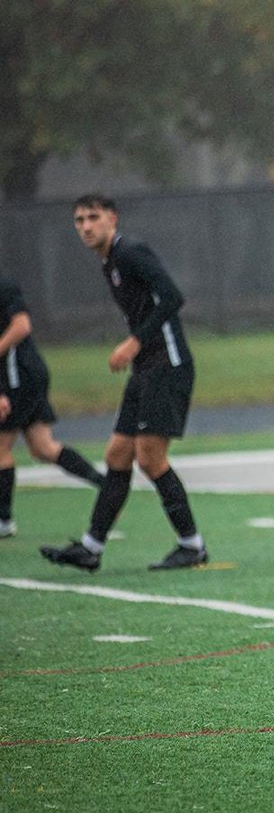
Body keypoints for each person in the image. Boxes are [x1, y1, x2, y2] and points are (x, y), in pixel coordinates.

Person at [40, 194, 209, 572]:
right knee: (117, 455)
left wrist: (134, 342)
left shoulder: (130, 252)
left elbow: (172, 297)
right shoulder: (109, 261)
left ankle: (192, 546)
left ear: (112, 219)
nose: (86, 226)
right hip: (145, 368)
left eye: (93, 217)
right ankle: (91, 548)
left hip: (167, 365)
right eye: (79, 220)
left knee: (150, 458)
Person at [0, 274, 107, 538]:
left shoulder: (4, 287)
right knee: (43, 448)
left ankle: (3, 520)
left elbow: (21, 325)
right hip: (25, 376)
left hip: (18, 376)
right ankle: (107, 486)